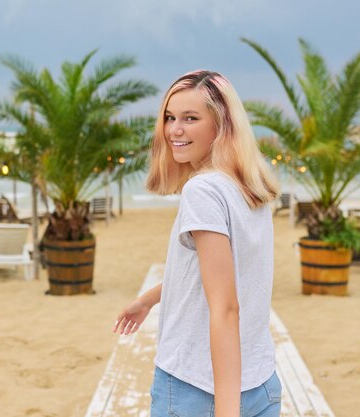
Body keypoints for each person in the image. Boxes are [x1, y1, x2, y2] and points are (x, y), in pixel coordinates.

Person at [113, 70, 282, 417]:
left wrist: (226, 411)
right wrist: (146, 300)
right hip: (260, 381)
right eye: (169, 117)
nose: (174, 129)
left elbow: (225, 308)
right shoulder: (252, 185)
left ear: (221, 125)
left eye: (190, 118)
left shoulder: (202, 190)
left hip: (200, 388)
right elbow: (217, 273)